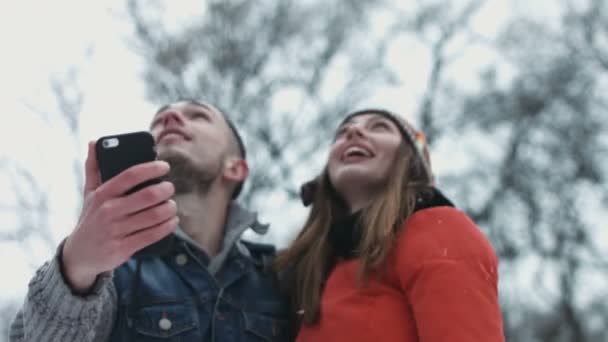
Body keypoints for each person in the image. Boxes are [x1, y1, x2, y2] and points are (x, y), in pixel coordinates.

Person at [10, 100, 293, 341]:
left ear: (235, 167)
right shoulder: (111, 272)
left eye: (198, 115)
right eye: (159, 121)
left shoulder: (283, 275)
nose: (170, 118)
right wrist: (76, 268)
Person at [275, 109, 505, 341]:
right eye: (342, 133)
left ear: (411, 161)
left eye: (379, 127)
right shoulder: (306, 267)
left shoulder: (440, 230)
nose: (353, 131)